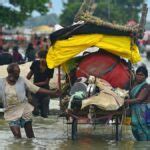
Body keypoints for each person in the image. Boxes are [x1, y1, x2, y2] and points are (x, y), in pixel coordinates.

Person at [0, 63, 59, 139]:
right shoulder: (1, 82)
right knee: (17, 136)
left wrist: (52, 92)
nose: (18, 74)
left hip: (24, 109)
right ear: (10, 73)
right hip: (10, 110)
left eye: (19, 71)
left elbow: (36, 89)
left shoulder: (22, 80)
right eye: (16, 72)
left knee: (30, 136)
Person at [125, 65, 150, 141]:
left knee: (144, 129)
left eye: (141, 75)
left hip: (144, 111)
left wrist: (126, 101)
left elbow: (139, 99)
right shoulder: (133, 85)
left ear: (145, 77)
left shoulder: (146, 86)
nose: (139, 76)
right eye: (138, 74)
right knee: (135, 127)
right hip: (135, 110)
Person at [26, 51, 54, 118]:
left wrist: (33, 84)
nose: (43, 60)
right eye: (41, 58)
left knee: (44, 114)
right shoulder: (35, 63)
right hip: (35, 92)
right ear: (39, 57)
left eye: (44, 58)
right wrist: (27, 82)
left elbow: (46, 82)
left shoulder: (50, 66)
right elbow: (28, 76)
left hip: (45, 92)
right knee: (35, 112)